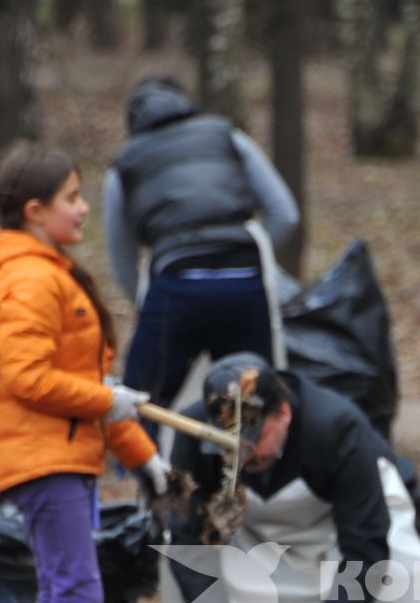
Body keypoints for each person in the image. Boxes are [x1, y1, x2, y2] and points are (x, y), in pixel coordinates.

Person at [0, 146, 170, 603]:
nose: (85, 208)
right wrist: (106, 399)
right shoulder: (29, 279)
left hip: (61, 453)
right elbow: (28, 378)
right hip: (43, 457)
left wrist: (145, 457)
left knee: (62, 598)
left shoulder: (48, 272)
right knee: (76, 597)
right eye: (72, 198)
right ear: (35, 211)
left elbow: (84, 385)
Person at [162, 354, 420, 603]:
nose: (243, 456)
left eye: (254, 441)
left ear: (284, 413)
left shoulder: (336, 427)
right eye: (230, 447)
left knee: (404, 573)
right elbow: (186, 537)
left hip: (346, 534)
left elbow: (366, 544)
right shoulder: (191, 433)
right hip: (255, 537)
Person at [104, 77, 301, 407]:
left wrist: (151, 304)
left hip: (175, 286)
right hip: (245, 284)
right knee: (252, 404)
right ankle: (252, 459)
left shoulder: (125, 164)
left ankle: (140, 460)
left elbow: (123, 261)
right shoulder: (227, 136)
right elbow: (286, 214)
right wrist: (252, 259)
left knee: (140, 405)